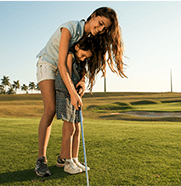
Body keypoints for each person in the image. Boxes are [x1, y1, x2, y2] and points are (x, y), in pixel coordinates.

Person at [34, 7, 127, 177]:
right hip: (49, 64)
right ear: (93, 16)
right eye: (100, 23)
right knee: (50, 109)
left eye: (104, 28)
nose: (100, 29)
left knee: (72, 121)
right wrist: (73, 94)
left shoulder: (89, 38)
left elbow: (81, 64)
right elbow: (62, 64)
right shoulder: (69, 28)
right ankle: (41, 159)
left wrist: (82, 82)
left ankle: (64, 158)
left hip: (66, 72)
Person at [55, 36, 97, 174]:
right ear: (77, 47)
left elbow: (78, 77)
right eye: (83, 55)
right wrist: (74, 91)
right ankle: (67, 162)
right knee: (70, 127)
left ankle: (74, 159)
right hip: (65, 94)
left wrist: (80, 86)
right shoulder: (70, 56)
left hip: (74, 95)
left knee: (77, 127)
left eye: (87, 57)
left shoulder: (80, 62)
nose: (84, 58)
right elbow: (66, 74)